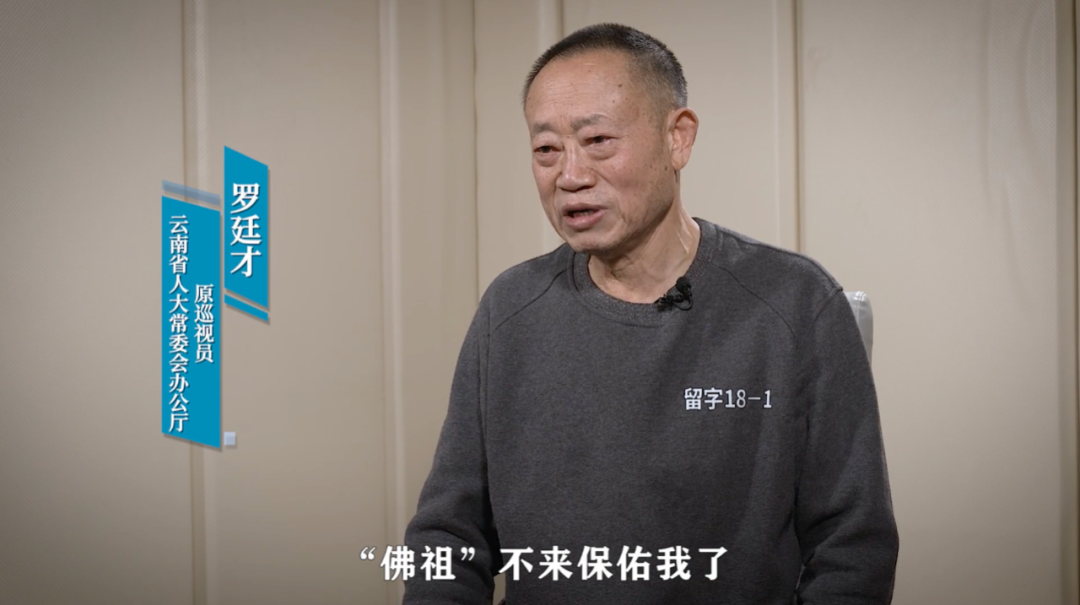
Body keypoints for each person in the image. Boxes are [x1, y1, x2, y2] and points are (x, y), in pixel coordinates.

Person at [403, 22, 898, 604]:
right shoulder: (510, 309)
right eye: (546, 150)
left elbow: (852, 548)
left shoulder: (795, 304)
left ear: (677, 138)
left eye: (598, 140)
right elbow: (449, 537)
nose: (570, 176)